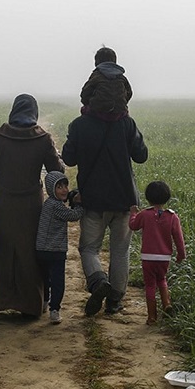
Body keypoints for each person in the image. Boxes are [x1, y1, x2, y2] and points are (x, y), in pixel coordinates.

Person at [0, 94, 65, 319]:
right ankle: (32, 304)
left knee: (3, 252)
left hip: (3, 204)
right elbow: (56, 171)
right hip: (32, 205)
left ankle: (5, 300)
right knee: (30, 253)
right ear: (34, 113)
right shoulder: (42, 139)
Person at [62, 81, 148, 316]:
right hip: (125, 201)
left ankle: (99, 282)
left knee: (89, 249)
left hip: (93, 201)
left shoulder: (79, 125)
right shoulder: (126, 123)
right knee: (120, 251)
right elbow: (141, 156)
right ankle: (115, 302)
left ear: (89, 97)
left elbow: (68, 159)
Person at [129, 181, 186, 325]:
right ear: (167, 198)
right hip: (164, 257)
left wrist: (133, 213)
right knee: (162, 280)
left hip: (148, 257)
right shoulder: (172, 217)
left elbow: (133, 226)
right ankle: (167, 304)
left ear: (148, 198)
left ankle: (152, 317)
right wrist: (181, 255)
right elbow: (179, 239)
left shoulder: (145, 214)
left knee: (150, 285)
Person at [35, 170, 85, 324]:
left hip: (41, 249)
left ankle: (44, 301)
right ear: (51, 189)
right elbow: (73, 216)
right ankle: (54, 309)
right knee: (58, 281)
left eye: (65, 186)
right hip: (55, 250)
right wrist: (79, 204)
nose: (64, 190)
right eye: (59, 187)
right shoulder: (56, 206)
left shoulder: (47, 203)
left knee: (45, 278)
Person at [80, 46, 132, 121]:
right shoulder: (121, 77)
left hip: (97, 113)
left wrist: (90, 103)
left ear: (96, 62)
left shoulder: (96, 76)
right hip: (119, 114)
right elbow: (129, 93)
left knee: (83, 112)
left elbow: (85, 94)